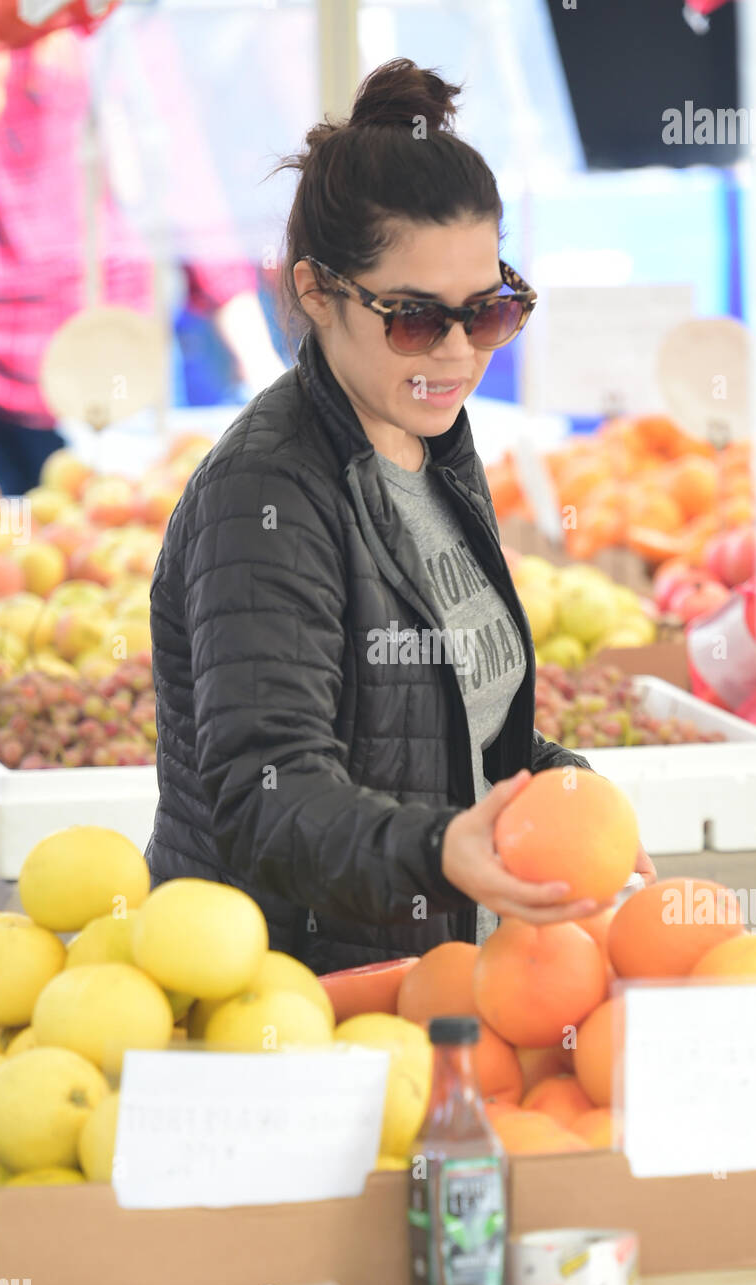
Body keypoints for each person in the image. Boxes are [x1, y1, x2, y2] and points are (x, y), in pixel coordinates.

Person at [147, 59, 655, 974]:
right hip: (296, 1010)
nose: (460, 353)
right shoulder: (263, 494)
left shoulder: (434, 450)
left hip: (436, 994)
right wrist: (437, 853)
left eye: (491, 311)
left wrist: (555, 782)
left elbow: (448, 723)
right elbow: (266, 795)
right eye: (416, 319)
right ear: (315, 289)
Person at [0, 9, 285, 495]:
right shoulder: (111, 22)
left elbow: (182, 177)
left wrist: (256, 359)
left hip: (98, 364)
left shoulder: (113, 21)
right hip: (81, 362)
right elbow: (183, 178)